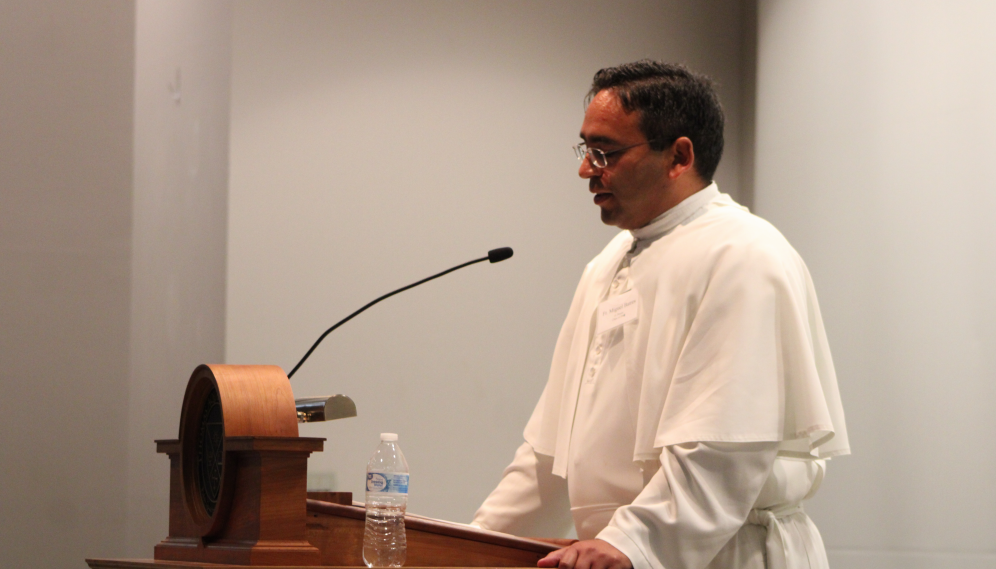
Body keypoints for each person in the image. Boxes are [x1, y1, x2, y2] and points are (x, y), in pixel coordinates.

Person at [471, 61, 849, 569]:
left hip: (722, 553)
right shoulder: (606, 265)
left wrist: (633, 542)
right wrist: (472, 546)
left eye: (605, 151)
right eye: (586, 150)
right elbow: (548, 456)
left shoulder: (743, 254)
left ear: (679, 155)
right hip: (616, 553)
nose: (586, 169)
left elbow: (723, 449)